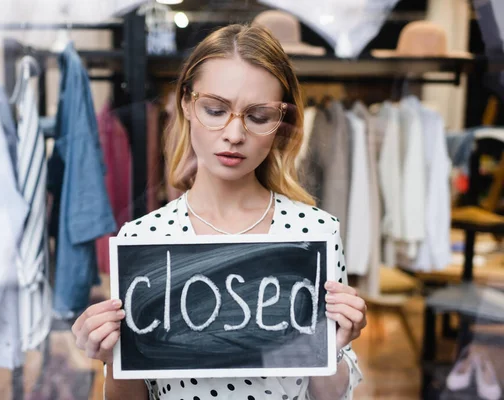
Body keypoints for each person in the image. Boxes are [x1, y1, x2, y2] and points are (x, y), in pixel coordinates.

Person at [72, 23, 367, 400]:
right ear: (186, 104)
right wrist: (113, 356)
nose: (234, 133)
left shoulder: (314, 235)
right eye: (215, 109)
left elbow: (330, 395)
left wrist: (335, 345)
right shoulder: (143, 241)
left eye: (258, 116)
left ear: (280, 123)